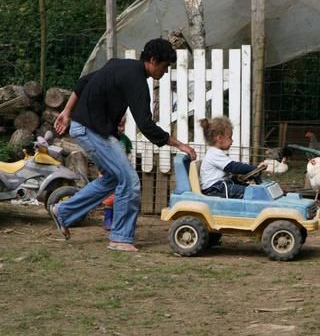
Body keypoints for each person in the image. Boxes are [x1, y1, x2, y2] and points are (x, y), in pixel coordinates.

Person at [51, 38, 197, 252]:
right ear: (153, 60)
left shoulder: (118, 64)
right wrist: (179, 144)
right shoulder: (137, 81)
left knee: (113, 178)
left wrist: (67, 111)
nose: (165, 72)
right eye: (165, 67)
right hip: (91, 130)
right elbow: (146, 125)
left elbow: (83, 83)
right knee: (129, 181)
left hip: (87, 128)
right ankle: (119, 238)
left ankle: (63, 212)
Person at [200, 116, 258, 199]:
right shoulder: (214, 153)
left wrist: (242, 175)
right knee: (251, 193)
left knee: (251, 188)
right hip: (215, 189)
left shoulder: (216, 152)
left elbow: (228, 171)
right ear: (219, 138)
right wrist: (254, 168)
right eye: (230, 137)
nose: (232, 141)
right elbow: (232, 167)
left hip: (219, 186)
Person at [101, 115, 133, 231]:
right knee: (110, 197)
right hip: (109, 171)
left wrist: (128, 163)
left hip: (122, 171)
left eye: (124, 125)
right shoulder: (106, 139)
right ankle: (108, 218)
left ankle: (118, 220)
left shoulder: (125, 140)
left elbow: (129, 153)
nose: (122, 129)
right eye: (119, 126)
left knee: (122, 195)